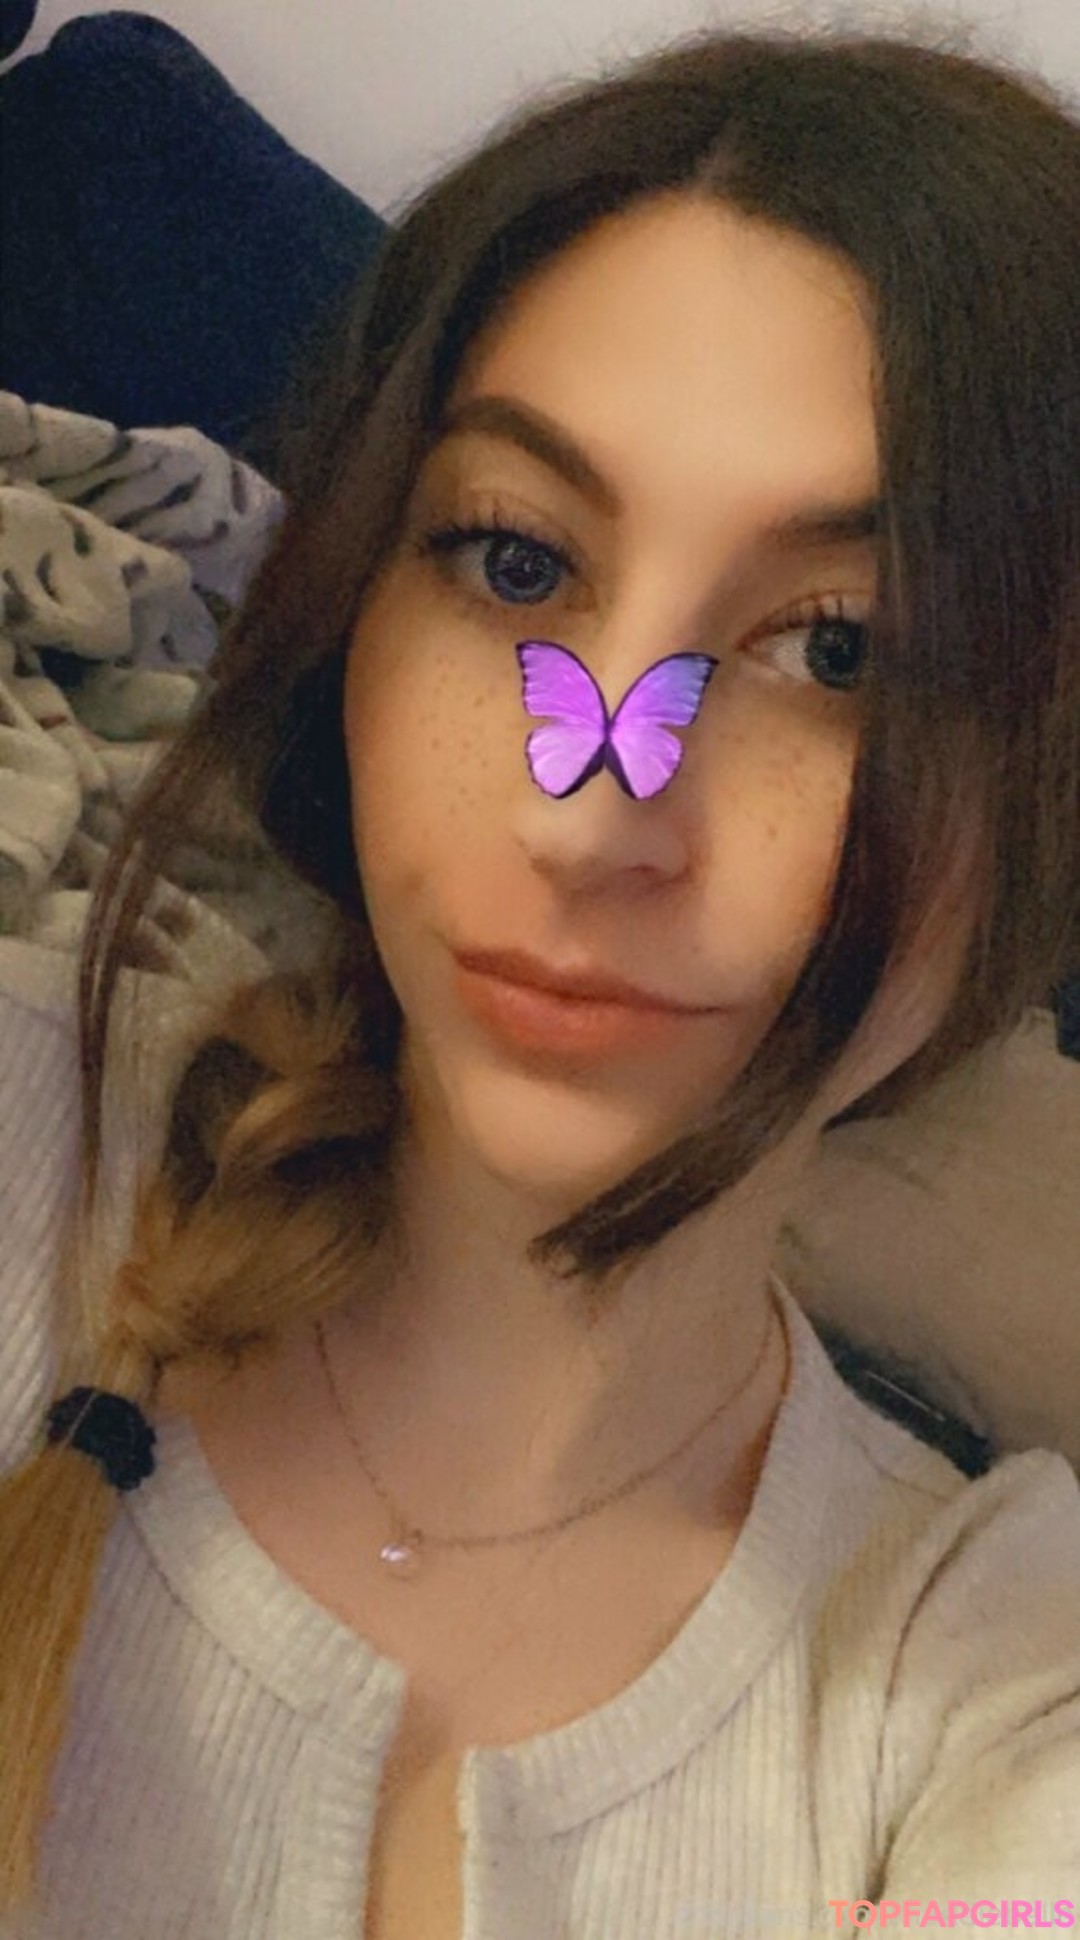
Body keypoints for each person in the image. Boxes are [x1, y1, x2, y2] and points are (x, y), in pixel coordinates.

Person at [1, 23, 1079, 1939]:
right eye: (512, 561)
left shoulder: (1005, 1664)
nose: (589, 823)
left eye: (840, 652)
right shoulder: (21, 1167)